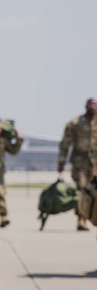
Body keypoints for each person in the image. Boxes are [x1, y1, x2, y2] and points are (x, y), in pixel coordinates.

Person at [58, 98, 96, 231]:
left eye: (95, 105)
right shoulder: (75, 123)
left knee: (93, 193)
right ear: (85, 106)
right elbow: (65, 143)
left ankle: (89, 217)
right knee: (82, 188)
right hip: (79, 161)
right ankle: (81, 219)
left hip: (95, 163)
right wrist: (61, 161)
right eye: (91, 105)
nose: (93, 107)